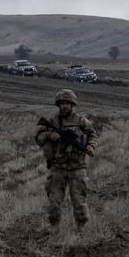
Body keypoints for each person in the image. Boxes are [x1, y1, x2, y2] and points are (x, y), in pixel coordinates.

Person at [35, 88, 97, 229]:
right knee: (54, 202)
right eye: (62, 103)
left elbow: (92, 134)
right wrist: (50, 135)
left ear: (72, 105)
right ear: (58, 105)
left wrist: (91, 146)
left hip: (77, 166)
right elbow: (38, 139)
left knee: (79, 201)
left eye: (67, 103)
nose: (64, 106)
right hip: (58, 167)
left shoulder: (81, 121)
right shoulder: (52, 121)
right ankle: (54, 228)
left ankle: (81, 229)